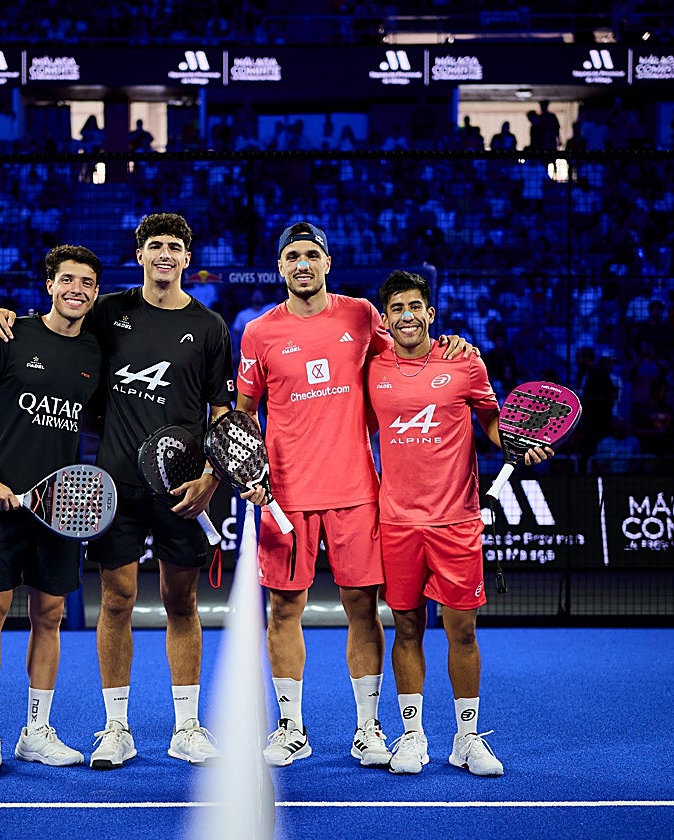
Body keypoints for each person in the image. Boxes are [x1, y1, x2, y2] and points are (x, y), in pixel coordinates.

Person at [0, 213, 233, 770]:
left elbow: (223, 413)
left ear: (187, 257)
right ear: (138, 254)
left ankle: (186, 726)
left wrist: (211, 478)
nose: (164, 254)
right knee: (116, 602)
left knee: (181, 603)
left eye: (174, 246)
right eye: (154, 246)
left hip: (183, 489)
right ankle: (115, 727)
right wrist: (6, 318)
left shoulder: (211, 327)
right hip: (115, 486)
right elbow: (55, 322)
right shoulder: (107, 311)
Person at [236, 223, 471, 769]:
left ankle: (367, 726)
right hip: (286, 494)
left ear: (327, 261)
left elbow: (412, 352)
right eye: (291, 256)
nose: (302, 263)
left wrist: (451, 345)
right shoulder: (258, 333)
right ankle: (291, 727)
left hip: (356, 492)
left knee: (362, 607)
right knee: (284, 608)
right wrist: (247, 468)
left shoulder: (363, 315)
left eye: (311, 254)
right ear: (280, 267)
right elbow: (243, 416)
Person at [364, 270, 551, 777]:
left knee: (461, 629)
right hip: (397, 522)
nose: (406, 315)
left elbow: (493, 418)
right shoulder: (371, 367)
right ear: (386, 318)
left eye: (415, 306)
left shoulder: (463, 360)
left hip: (456, 519)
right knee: (406, 626)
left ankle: (466, 739)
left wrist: (515, 442)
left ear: (430, 314)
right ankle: (411, 734)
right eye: (396, 308)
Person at [0, 245, 105, 777]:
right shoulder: (7, 333)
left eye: (87, 282)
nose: (76, 290)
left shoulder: (95, 352)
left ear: (95, 292)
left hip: (60, 510)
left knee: (50, 616)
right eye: (67, 280)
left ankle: (35, 732)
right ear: (49, 285)